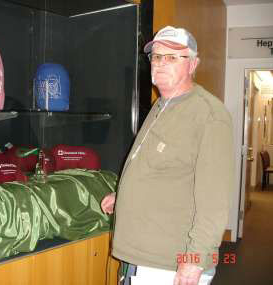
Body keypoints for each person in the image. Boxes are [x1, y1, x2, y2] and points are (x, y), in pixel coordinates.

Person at [101, 26, 235, 285]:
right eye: (157, 57)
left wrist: (194, 260)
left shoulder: (209, 115)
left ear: (193, 64)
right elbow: (166, 171)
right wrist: (124, 197)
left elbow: (215, 202)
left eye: (173, 57)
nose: (161, 64)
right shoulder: (160, 105)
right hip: (141, 256)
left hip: (168, 265)